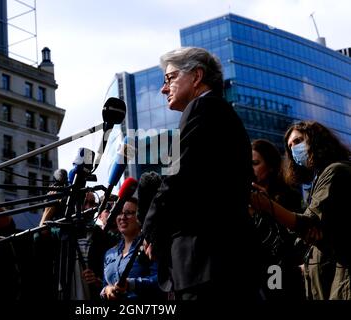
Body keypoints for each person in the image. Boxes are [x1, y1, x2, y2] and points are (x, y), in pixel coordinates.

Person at [142, 47, 261, 300]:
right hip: (224, 262)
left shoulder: (201, 109)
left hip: (204, 264)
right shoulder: (221, 114)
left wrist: (150, 229)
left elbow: (176, 178)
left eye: (170, 78)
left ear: (196, 76)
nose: (164, 89)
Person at [250, 121, 351, 300]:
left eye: (297, 141)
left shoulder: (336, 171)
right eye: (290, 147)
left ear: (316, 139)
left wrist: (267, 206)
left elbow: (308, 224)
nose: (294, 150)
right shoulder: (317, 181)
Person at [250, 139, 306, 300]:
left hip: (282, 275)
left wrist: (267, 208)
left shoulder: (289, 197)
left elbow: (293, 238)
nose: (249, 168)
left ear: (271, 167)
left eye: (255, 163)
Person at [101, 197, 160, 300]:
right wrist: (107, 290)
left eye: (128, 213)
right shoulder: (109, 253)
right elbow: (104, 285)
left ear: (140, 218)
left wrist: (132, 284)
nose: (122, 217)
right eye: (119, 212)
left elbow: (161, 280)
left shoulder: (149, 246)